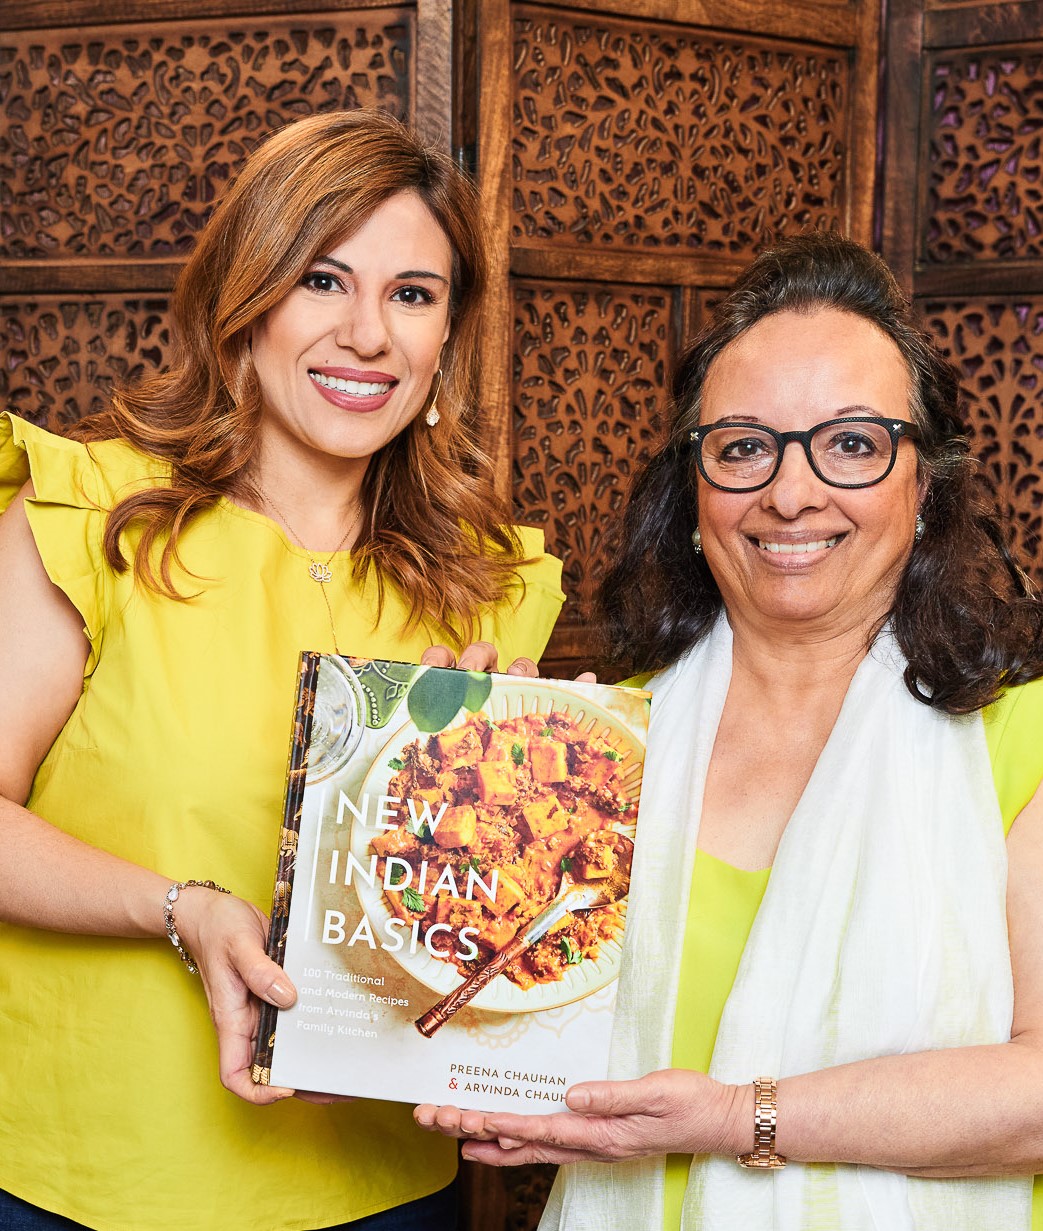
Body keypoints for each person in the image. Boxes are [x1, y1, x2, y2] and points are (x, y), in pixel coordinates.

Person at [0, 109, 565, 1231]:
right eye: (322, 280)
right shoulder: (94, 517)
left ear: (447, 335)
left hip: (381, 1188)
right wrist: (183, 909)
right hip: (90, 1180)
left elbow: (469, 932)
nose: (368, 334)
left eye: (412, 294)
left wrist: (512, 828)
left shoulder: (486, 583)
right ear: (244, 301)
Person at [415, 232, 1043, 1230]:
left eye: (849, 443)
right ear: (693, 489)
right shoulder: (601, 750)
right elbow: (468, 1026)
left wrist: (733, 1118)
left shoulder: (1022, 744)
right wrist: (449, 779)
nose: (789, 493)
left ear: (922, 485)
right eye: (743, 446)